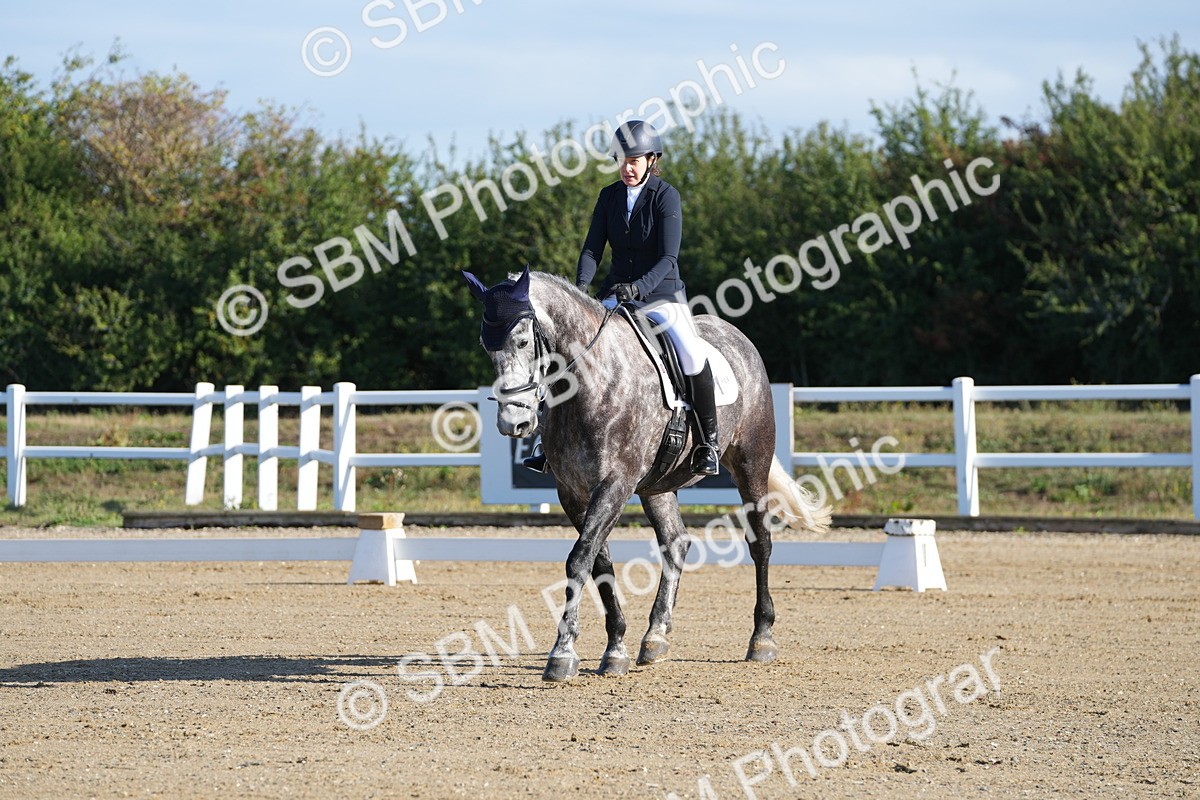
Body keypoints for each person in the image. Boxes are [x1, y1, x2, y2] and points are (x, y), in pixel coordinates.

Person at [523, 119, 720, 477]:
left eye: (635, 160)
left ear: (651, 160)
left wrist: (639, 288)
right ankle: (548, 440)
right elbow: (592, 249)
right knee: (570, 349)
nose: (627, 167)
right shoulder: (608, 197)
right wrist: (579, 290)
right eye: (622, 160)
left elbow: (668, 258)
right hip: (616, 295)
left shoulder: (666, 196)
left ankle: (709, 441)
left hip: (661, 296)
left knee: (691, 352)